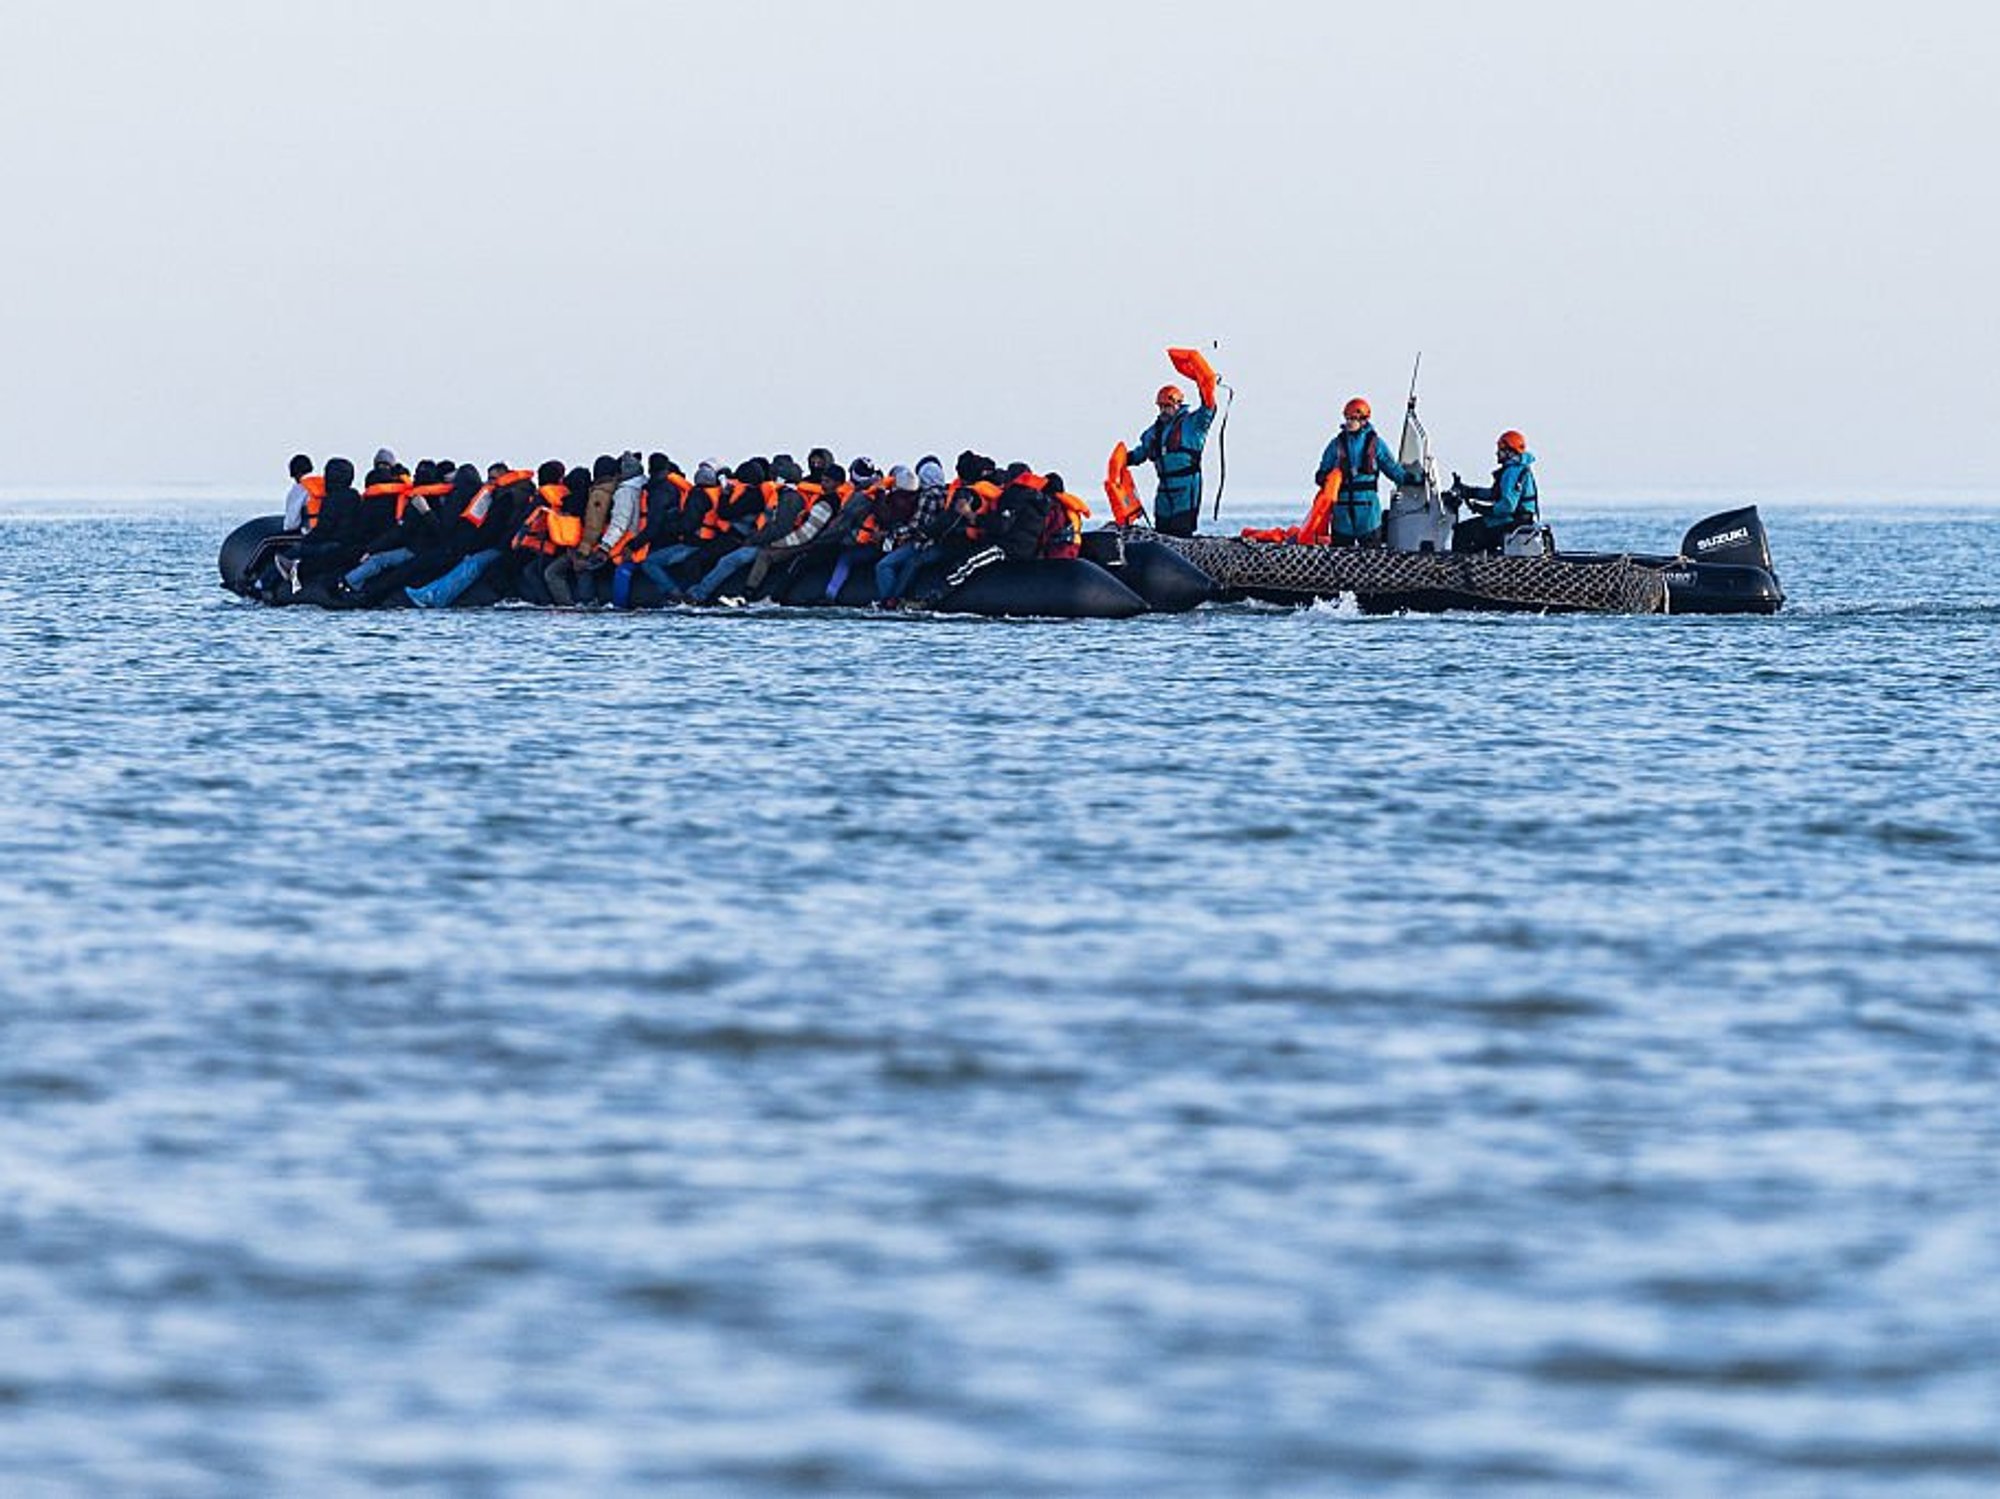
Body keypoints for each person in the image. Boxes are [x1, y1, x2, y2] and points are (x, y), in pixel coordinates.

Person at [1314, 398, 1421, 548]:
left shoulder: (1376, 444)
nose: (1349, 422)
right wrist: (1323, 478)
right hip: (1342, 512)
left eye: (1353, 418)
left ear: (1364, 420)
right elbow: (1322, 471)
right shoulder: (1336, 444)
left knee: (1372, 556)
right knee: (1339, 557)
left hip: (1368, 512)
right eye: (1347, 418)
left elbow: (1391, 468)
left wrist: (1411, 479)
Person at [1128, 382, 1217, 537]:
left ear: (1177, 404)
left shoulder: (1193, 424)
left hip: (1186, 486)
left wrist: (1204, 384)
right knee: (1162, 530)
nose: (1163, 410)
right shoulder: (1155, 432)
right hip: (1164, 489)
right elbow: (1141, 452)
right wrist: (1125, 459)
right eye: (1161, 406)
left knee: (1181, 530)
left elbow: (1208, 409)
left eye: (1167, 406)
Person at [1449, 431, 1540, 554]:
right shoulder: (1515, 469)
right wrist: (1469, 491)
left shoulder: (1512, 472)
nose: (1497, 453)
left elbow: (1507, 506)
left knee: (1463, 531)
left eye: (1501, 449)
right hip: (1514, 519)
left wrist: (1484, 509)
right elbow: (1494, 494)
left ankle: (1460, 568)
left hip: (1512, 521)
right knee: (1476, 529)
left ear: (1510, 451)